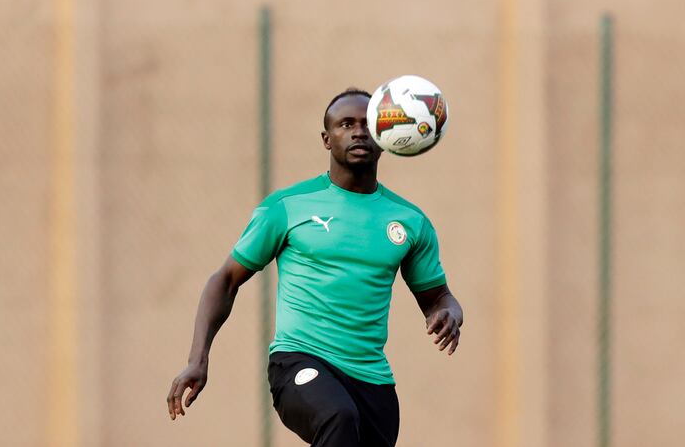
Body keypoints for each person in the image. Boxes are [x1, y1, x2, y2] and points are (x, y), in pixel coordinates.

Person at [167, 88, 463, 447]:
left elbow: (437, 297)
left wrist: (449, 311)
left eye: (367, 124)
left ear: (385, 137)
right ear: (327, 139)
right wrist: (198, 359)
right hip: (298, 362)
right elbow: (225, 280)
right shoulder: (287, 207)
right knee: (338, 417)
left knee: (351, 423)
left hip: (373, 381)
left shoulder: (410, 222)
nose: (357, 132)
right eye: (345, 124)